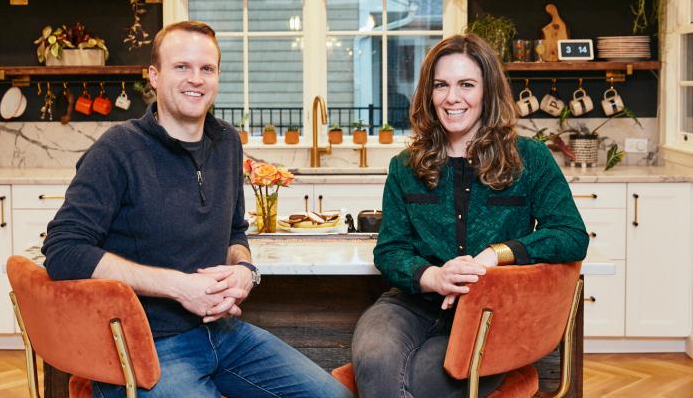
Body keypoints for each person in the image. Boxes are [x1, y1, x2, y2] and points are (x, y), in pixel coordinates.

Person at [42, 20, 353, 398]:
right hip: (146, 345)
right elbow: (63, 251)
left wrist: (244, 269)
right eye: (182, 67)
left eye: (207, 68)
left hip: (223, 333)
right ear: (154, 76)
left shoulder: (228, 144)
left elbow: (235, 232)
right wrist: (178, 287)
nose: (196, 79)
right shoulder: (118, 150)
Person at [350, 34, 589, 398]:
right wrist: (435, 276)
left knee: (420, 378)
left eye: (466, 85)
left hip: (494, 314)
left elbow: (571, 234)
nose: (452, 98)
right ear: (429, 94)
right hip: (413, 306)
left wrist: (496, 254)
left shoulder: (530, 159)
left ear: (487, 91)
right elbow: (390, 249)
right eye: (441, 85)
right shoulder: (405, 167)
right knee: (373, 360)